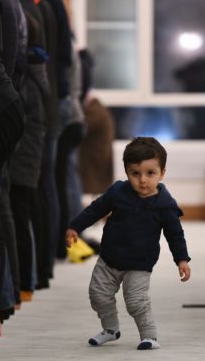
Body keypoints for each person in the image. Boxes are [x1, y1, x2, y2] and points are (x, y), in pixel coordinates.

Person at [65, 137, 191, 350]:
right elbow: (95, 210)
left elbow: (175, 234)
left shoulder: (165, 206)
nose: (143, 180)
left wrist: (182, 259)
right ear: (126, 173)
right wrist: (75, 227)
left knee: (136, 301)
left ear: (162, 173)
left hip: (140, 264)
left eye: (150, 173)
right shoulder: (118, 193)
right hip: (109, 258)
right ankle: (111, 330)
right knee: (98, 295)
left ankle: (149, 336)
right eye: (135, 173)